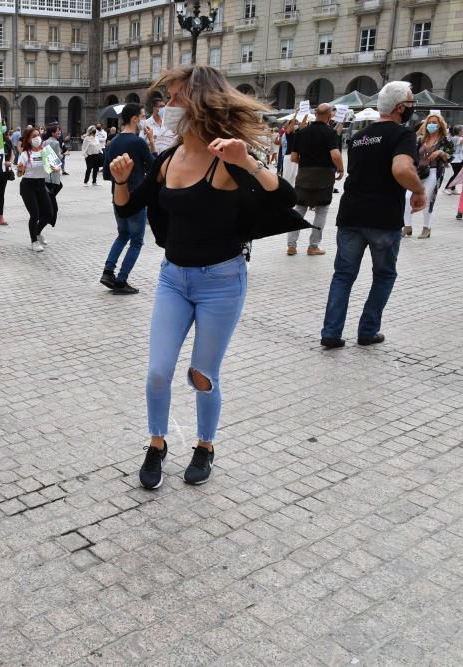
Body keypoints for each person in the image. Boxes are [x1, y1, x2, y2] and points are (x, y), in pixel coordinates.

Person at [110, 65, 299, 489]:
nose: (167, 107)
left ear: (198, 103)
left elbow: (287, 198)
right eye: (166, 99)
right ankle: (157, 444)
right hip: (174, 279)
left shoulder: (226, 159)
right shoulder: (167, 158)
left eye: (174, 98)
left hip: (221, 282)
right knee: (158, 371)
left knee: (202, 374)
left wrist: (246, 161)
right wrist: (121, 182)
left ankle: (205, 445)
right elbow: (127, 208)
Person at [321, 81, 425, 349]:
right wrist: (419, 190)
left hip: (351, 214)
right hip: (383, 217)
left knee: (343, 275)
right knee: (384, 275)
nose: (413, 108)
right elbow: (402, 169)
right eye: (411, 103)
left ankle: (331, 333)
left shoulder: (359, 137)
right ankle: (368, 331)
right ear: (401, 107)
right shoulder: (403, 135)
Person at [100, 103, 152, 294]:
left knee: (123, 234)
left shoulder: (113, 142)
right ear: (135, 119)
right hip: (135, 197)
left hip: (117, 196)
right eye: (143, 115)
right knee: (137, 240)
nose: (144, 119)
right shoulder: (138, 142)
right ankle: (121, 280)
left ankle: (108, 271)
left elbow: (106, 173)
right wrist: (152, 143)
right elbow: (154, 168)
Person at [286, 103, 344, 256]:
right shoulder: (330, 133)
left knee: (299, 208)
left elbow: (293, 157)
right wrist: (341, 168)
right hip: (324, 176)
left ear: (315, 114)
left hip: (304, 175)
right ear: (330, 115)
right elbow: (336, 155)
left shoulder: (301, 132)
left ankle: (291, 245)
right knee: (321, 210)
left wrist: (306, 164)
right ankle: (313, 246)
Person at [403, 114, 452, 239]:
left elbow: (451, 157)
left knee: (428, 199)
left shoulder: (444, 140)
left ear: (440, 124)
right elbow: (413, 155)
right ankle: (407, 226)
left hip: (434, 172)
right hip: (418, 172)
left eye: (435, 122)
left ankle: (426, 227)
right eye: (430, 122)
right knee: (407, 196)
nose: (432, 125)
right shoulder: (420, 139)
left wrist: (441, 152)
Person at [17, 127, 56, 252]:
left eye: (38, 135)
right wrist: (20, 169)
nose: (37, 138)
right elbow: (19, 174)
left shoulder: (45, 151)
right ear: (28, 140)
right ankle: (34, 241)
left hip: (41, 184)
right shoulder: (25, 154)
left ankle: (38, 233)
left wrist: (54, 168)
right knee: (35, 214)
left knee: (49, 213)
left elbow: (53, 168)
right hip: (28, 186)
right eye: (33, 136)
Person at [43, 125, 65, 217]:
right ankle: (51, 206)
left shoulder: (45, 142)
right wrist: (64, 154)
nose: (58, 133)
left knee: (52, 187)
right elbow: (58, 156)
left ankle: (49, 203)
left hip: (48, 167)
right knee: (56, 187)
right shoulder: (55, 143)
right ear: (52, 133)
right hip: (54, 168)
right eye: (57, 131)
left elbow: (45, 155)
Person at [444, 125, 463, 195]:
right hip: (455, 159)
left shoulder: (457, 138)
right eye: (462, 130)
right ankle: (446, 188)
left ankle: (453, 188)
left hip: (459, 159)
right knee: (456, 174)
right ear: (459, 132)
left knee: (457, 174)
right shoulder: (456, 138)